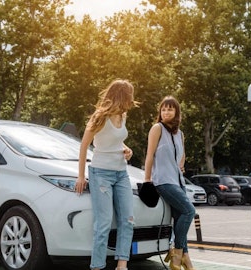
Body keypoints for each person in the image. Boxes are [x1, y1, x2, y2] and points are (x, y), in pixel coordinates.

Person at [75, 79, 138, 270]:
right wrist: (80, 176)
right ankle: (97, 266)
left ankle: (122, 265)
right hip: (100, 173)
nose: (131, 100)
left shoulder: (123, 115)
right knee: (103, 224)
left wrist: (127, 150)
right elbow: (85, 145)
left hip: (121, 173)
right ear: (122, 96)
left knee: (127, 220)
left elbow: (115, 141)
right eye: (129, 96)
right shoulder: (99, 117)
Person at [143, 96, 196, 270]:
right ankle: (178, 252)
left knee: (180, 217)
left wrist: (181, 165)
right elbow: (150, 154)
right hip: (163, 180)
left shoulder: (180, 134)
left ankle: (185, 257)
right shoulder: (157, 128)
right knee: (189, 211)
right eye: (163, 109)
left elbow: (182, 155)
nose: (166, 112)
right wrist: (147, 179)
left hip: (178, 181)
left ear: (176, 112)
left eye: (170, 109)